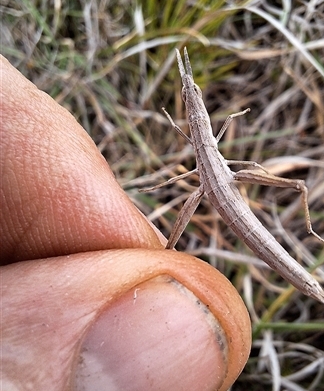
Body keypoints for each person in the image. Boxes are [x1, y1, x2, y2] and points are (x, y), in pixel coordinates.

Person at [0, 55, 251, 390]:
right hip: (214, 186)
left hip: (229, 197)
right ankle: (168, 263)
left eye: (193, 94)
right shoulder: (191, 131)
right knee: (167, 250)